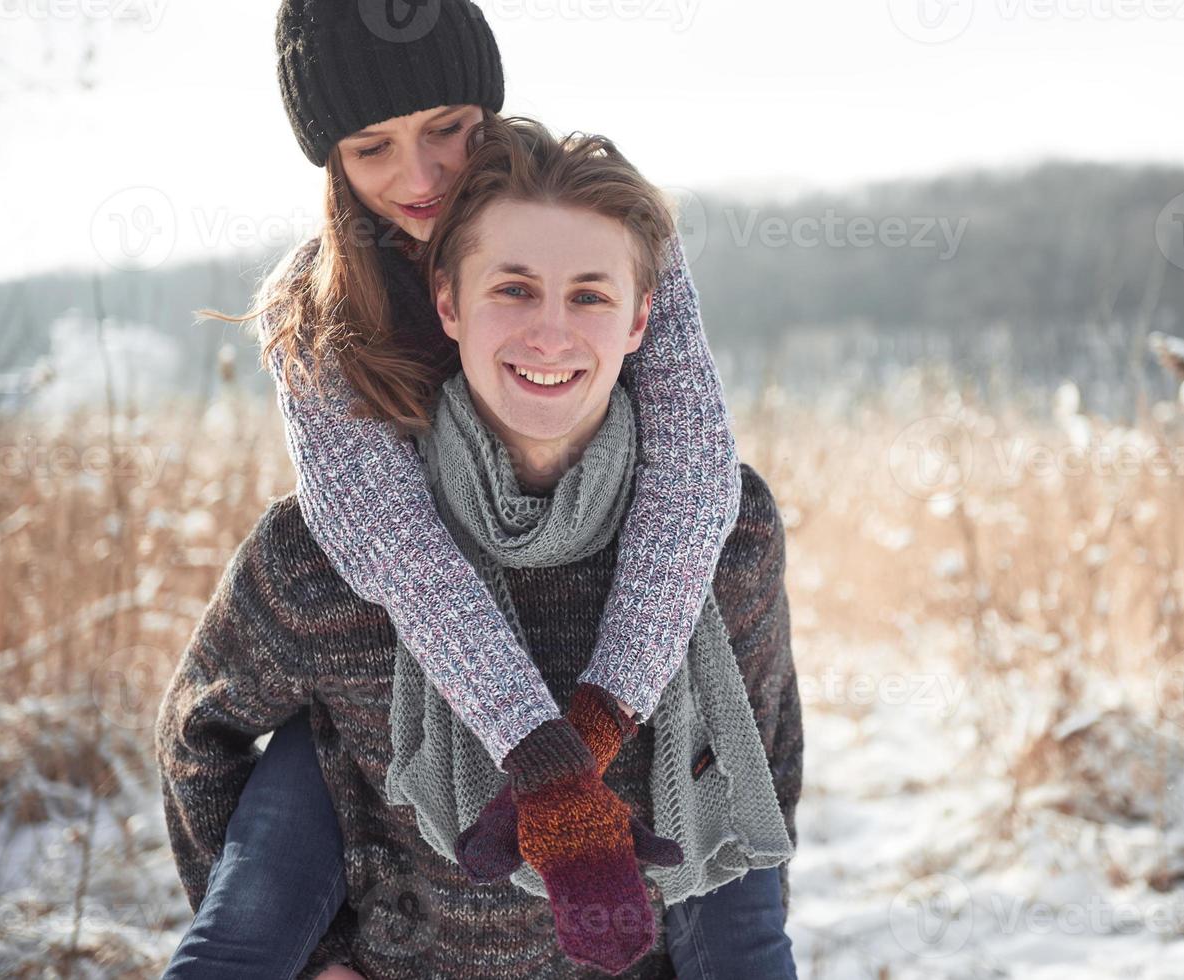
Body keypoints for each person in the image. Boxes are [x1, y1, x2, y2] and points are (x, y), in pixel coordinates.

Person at [158, 110, 802, 979]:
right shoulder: (323, 556)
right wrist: (315, 958)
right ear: (448, 305)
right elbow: (201, 736)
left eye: (589, 294)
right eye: (512, 289)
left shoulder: (730, 536)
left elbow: (756, 773)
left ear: (644, 319)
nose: (549, 332)